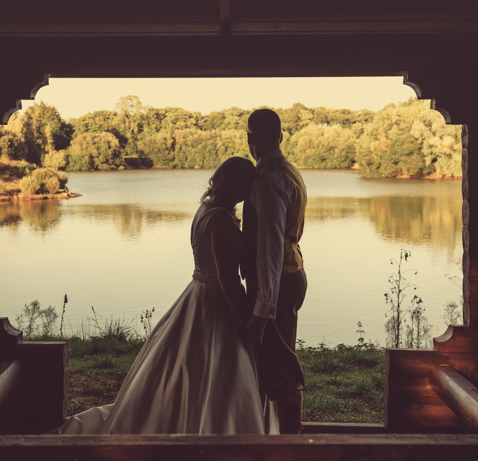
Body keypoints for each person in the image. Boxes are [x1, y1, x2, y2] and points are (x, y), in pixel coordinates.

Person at [54, 157, 278, 434]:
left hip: (198, 292)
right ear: (239, 186)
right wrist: (246, 320)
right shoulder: (219, 218)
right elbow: (226, 276)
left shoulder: (206, 209)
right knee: (215, 364)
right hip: (216, 299)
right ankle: (213, 425)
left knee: (196, 365)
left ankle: (198, 418)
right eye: (248, 186)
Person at [242, 108, 308, 434]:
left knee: (280, 368)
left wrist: (262, 310)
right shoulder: (290, 170)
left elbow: (268, 247)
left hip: (278, 281)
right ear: (281, 137)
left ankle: (291, 445)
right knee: (279, 360)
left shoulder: (269, 181)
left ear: (250, 140)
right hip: (291, 272)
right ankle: (279, 436)